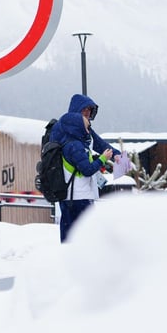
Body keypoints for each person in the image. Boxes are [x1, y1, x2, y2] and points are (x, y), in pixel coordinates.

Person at [49, 93, 122, 242]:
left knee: (74, 231)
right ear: (77, 111)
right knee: (80, 232)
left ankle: (73, 257)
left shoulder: (80, 131)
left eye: (90, 110)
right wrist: (103, 159)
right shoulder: (71, 135)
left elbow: (99, 143)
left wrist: (116, 154)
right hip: (73, 191)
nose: (88, 113)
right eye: (85, 110)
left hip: (76, 191)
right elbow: (85, 167)